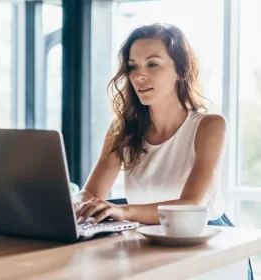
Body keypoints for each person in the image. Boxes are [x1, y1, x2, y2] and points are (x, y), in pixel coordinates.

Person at [72, 23, 253, 279]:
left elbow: (191, 205)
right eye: (133, 66)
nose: (139, 76)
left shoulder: (210, 125)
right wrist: (72, 204)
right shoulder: (122, 130)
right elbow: (90, 193)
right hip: (147, 242)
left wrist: (122, 211)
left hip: (208, 245)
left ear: (181, 69)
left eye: (153, 64)